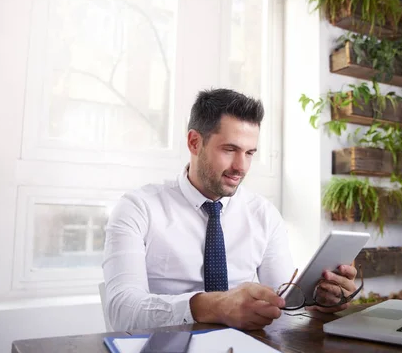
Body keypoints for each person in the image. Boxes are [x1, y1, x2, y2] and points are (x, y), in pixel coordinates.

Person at [102, 88, 358, 332]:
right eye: (230, 149)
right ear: (194, 142)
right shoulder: (138, 209)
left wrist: (321, 302)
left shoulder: (264, 215)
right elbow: (122, 310)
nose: (241, 167)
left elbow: (285, 305)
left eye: (249, 153)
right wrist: (214, 306)